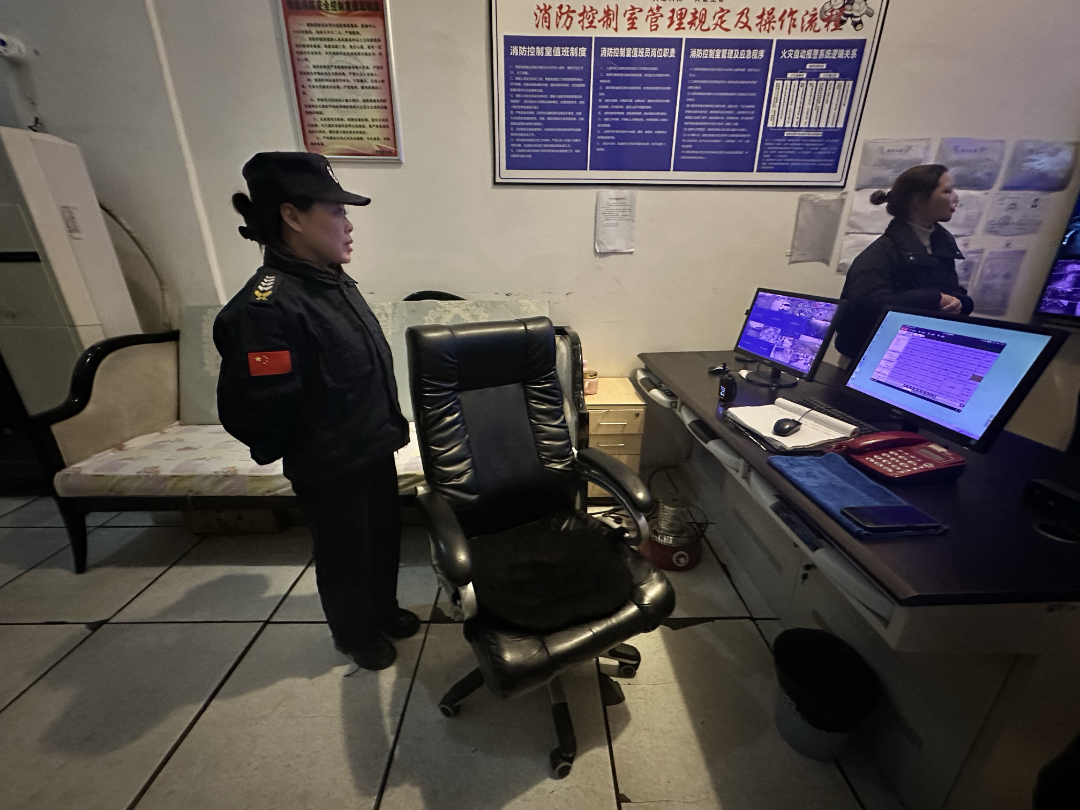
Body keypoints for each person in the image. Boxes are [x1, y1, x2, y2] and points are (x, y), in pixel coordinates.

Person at [214, 152, 417, 671]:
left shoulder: (331, 281)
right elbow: (261, 406)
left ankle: (382, 609)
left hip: (372, 447)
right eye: (336, 211)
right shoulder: (267, 307)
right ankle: (355, 633)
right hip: (329, 464)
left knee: (382, 539)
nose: (348, 225)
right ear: (293, 216)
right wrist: (312, 450)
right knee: (345, 553)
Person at [834, 164, 975, 361]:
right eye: (947, 191)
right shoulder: (879, 254)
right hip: (871, 358)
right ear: (919, 200)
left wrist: (960, 303)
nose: (955, 197)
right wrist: (933, 299)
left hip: (917, 353)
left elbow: (950, 291)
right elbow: (867, 308)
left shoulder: (942, 245)